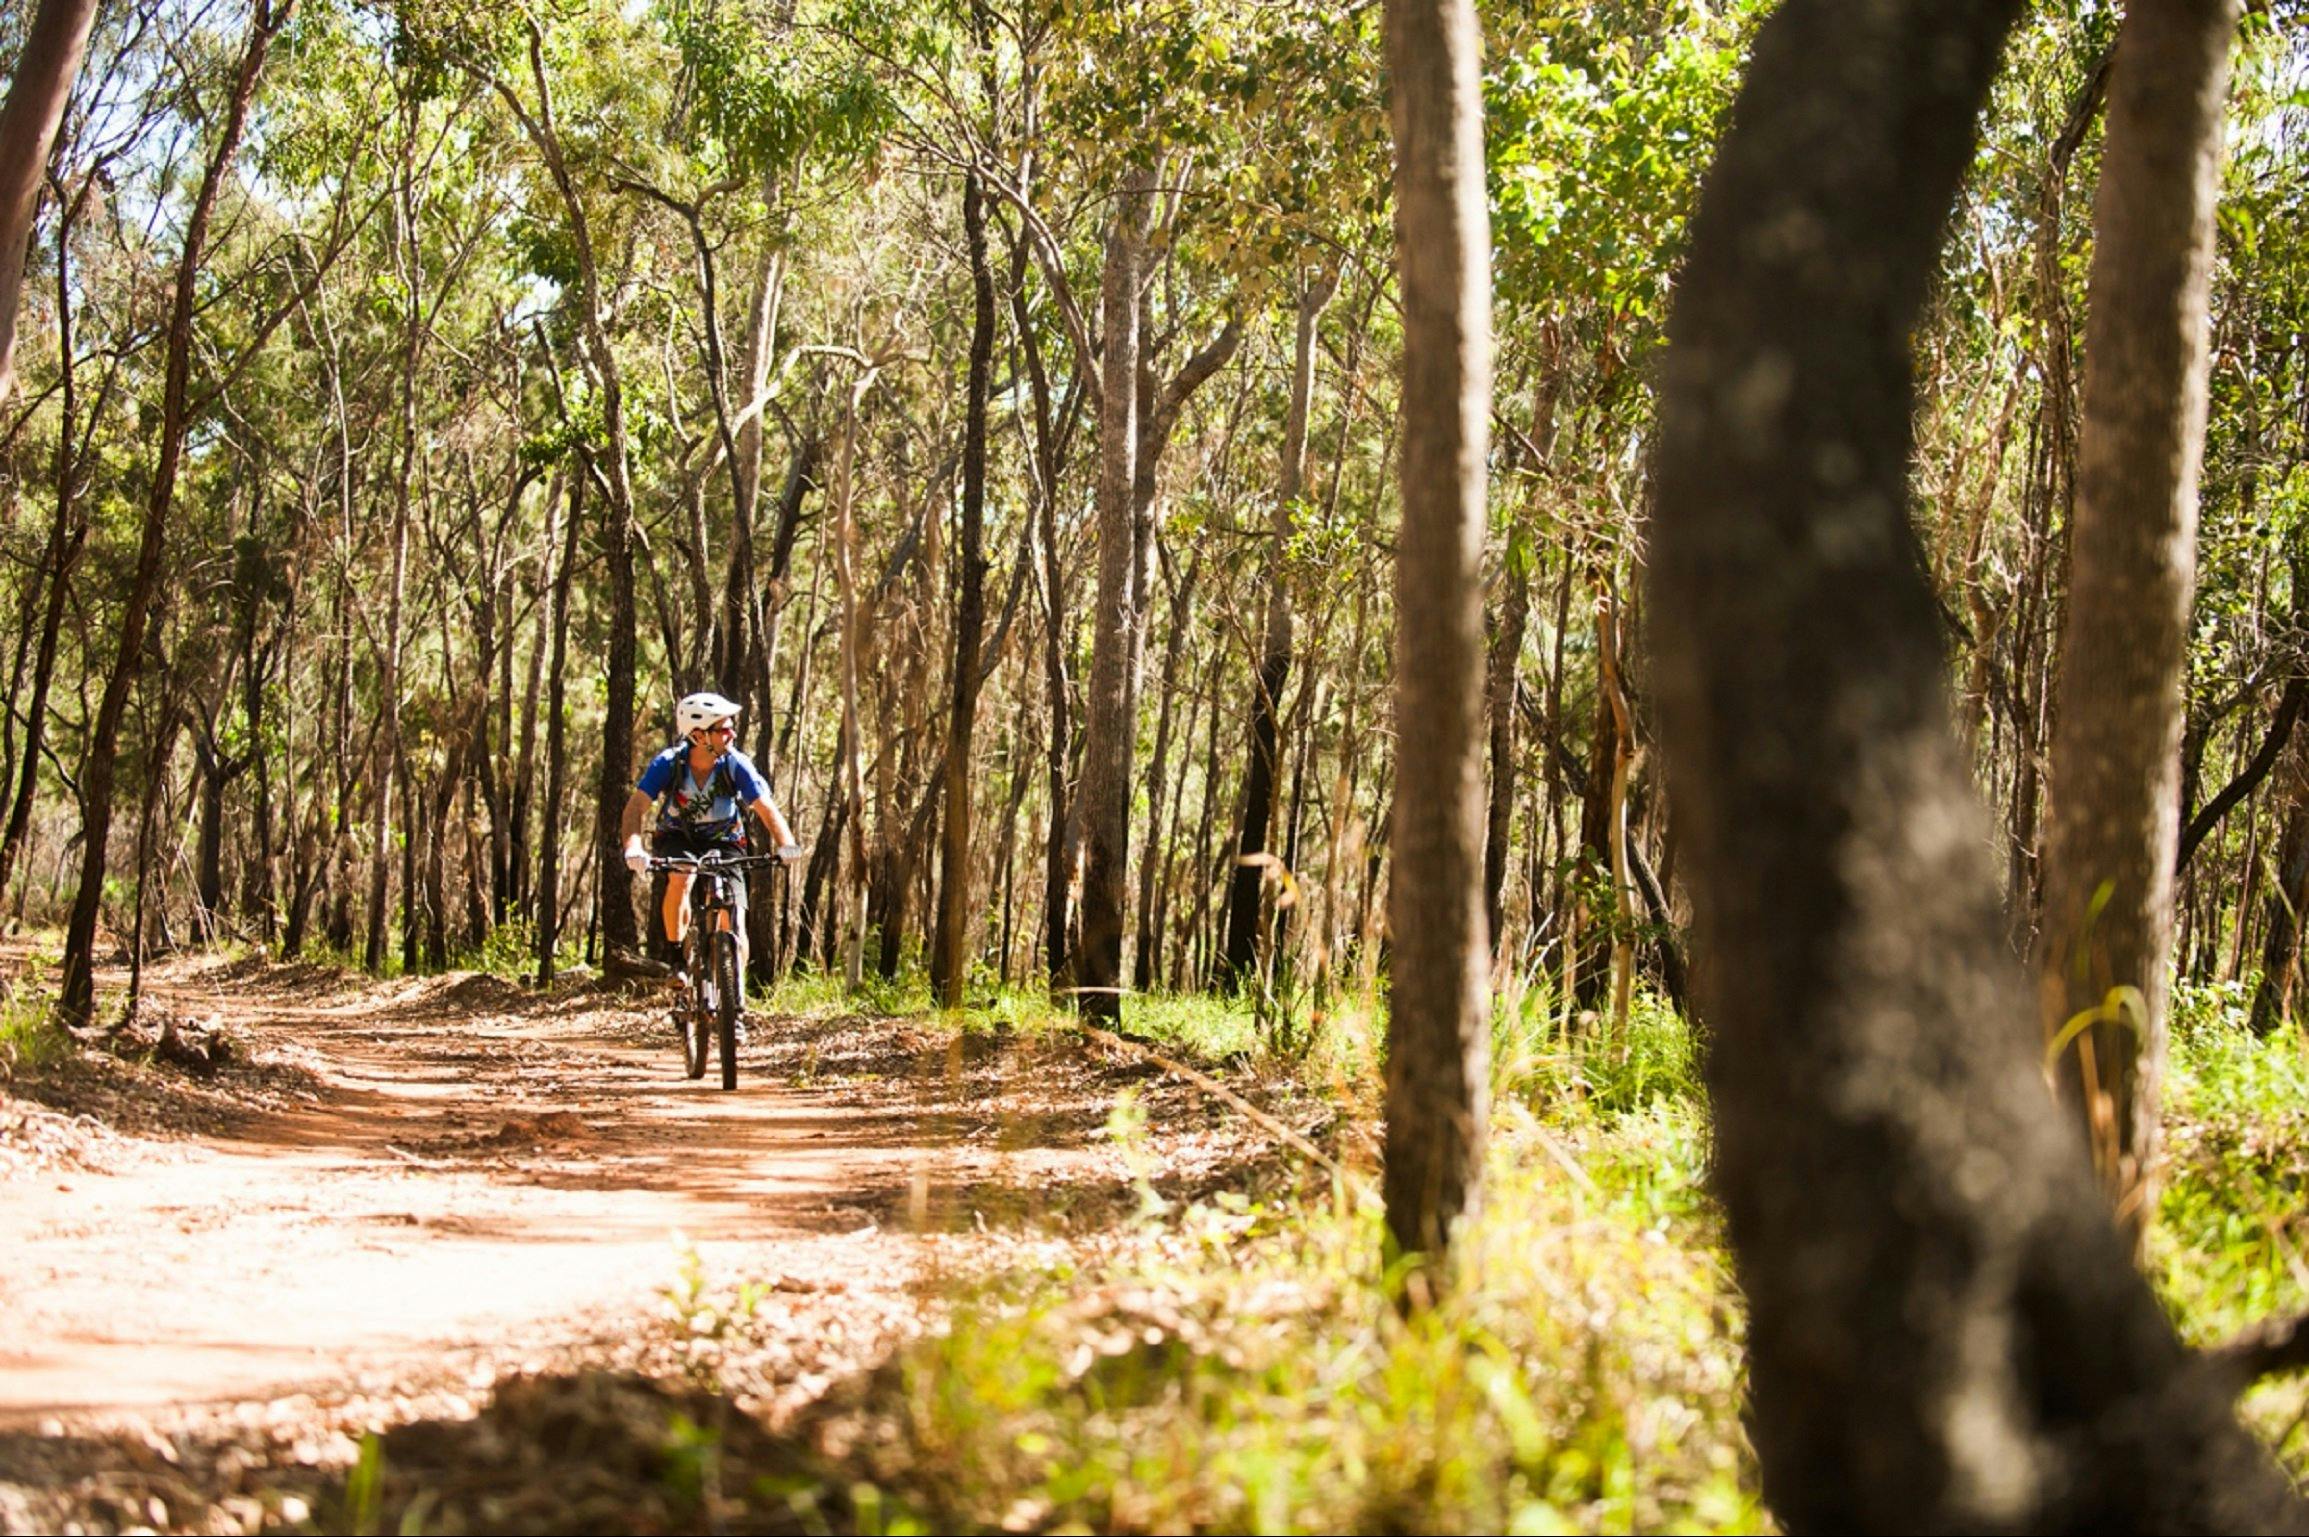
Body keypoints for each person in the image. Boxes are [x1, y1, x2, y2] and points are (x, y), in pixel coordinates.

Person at [619, 691, 797, 977]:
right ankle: (678, 959)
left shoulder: (736, 764)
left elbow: (766, 808)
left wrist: (786, 844)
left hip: (726, 839)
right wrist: (634, 847)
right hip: (679, 836)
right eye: (724, 729)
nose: (732, 735)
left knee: (734, 912)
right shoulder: (669, 763)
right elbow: (635, 808)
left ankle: (733, 995)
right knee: (683, 875)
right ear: (699, 736)